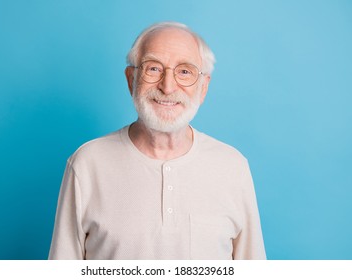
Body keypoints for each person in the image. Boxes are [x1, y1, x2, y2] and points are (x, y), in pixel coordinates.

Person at [48, 22, 266, 260]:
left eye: (184, 71)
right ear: (131, 79)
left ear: (203, 88)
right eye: (153, 69)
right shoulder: (87, 164)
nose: (167, 86)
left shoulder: (232, 167)